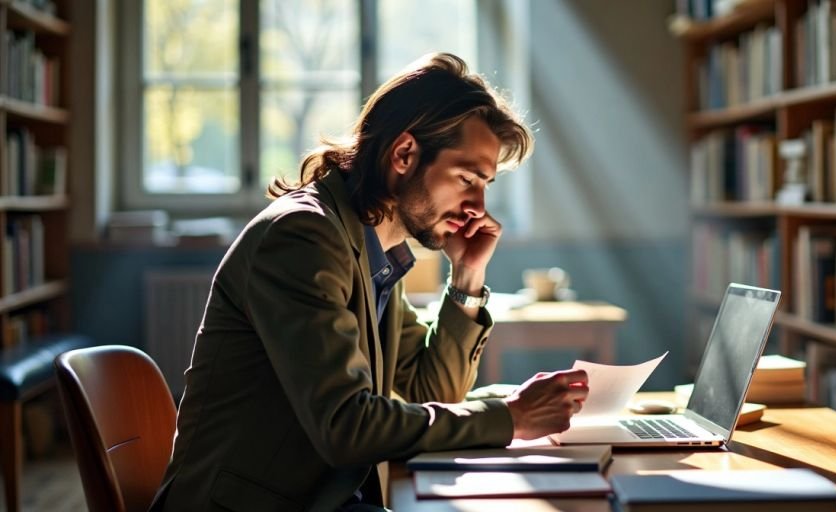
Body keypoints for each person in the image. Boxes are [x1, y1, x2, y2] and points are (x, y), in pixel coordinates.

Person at [149, 53, 590, 512]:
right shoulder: (304, 237)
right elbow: (348, 425)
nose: (478, 206)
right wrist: (510, 418)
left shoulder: (371, 245)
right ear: (403, 154)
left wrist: (467, 276)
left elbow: (431, 390)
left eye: (485, 185)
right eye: (466, 179)